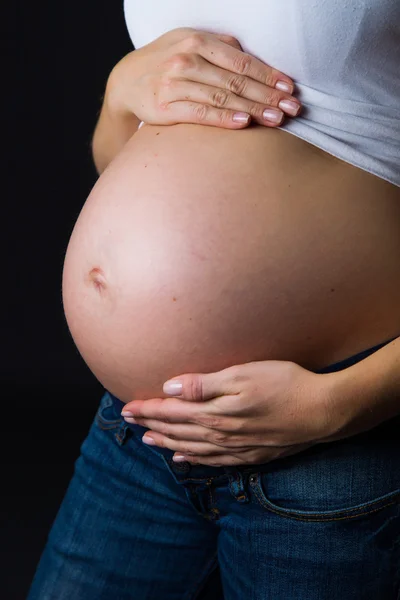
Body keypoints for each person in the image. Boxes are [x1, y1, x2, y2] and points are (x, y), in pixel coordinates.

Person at [28, 1, 400, 599]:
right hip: (142, 435)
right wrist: (120, 93)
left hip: (330, 439)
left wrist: (338, 405)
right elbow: (124, 160)